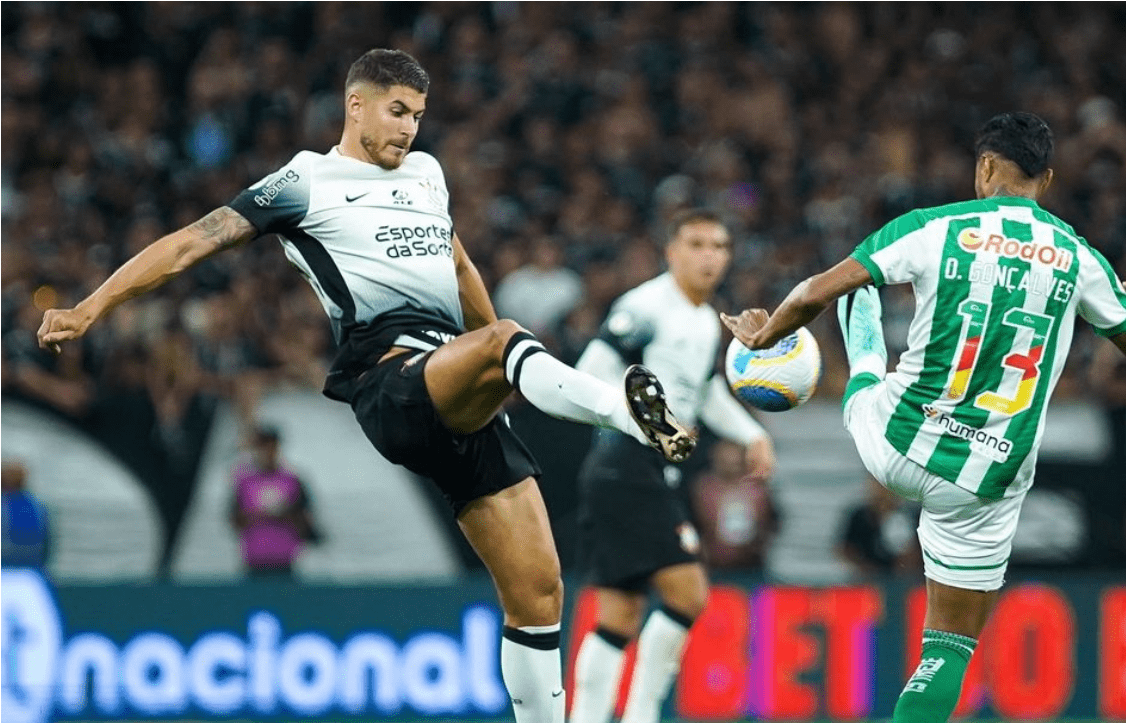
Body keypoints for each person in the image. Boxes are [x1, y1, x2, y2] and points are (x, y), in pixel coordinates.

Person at [36, 48, 696, 724]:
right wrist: (92, 306)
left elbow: (459, 263)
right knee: (505, 343)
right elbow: (192, 241)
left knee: (539, 595)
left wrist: (496, 364)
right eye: (398, 111)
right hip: (390, 381)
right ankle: (623, 410)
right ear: (357, 106)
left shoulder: (428, 175)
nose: (410, 128)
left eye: (418, 116)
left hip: (458, 385)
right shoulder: (305, 180)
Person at [721, 112, 1126, 722]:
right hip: (985, 478)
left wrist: (762, 334)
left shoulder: (935, 227)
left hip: (898, 442)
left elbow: (810, 293)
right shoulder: (1077, 256)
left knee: (860, 303)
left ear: (985, 166)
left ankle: (865, 375)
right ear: (1048, 177)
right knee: (948, 647)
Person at [569, 209, 776, 723]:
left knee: (619, 614)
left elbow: (705, 394)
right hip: (625, 464)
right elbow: (590, 371)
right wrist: (651, 421)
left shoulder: (706, 320)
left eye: (720, 245)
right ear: (672, 251)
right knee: (688, 593)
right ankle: (642, 715)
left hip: (644, 472)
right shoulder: (645, 306)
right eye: (697, 243)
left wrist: (752, 433)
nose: (710, 255)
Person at [229, 426, 320, 579]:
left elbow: (308, 520)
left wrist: (285, 514)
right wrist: (260, 515)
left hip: (286, 562)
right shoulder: (244, 482)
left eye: (271, 446)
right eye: (262, 447)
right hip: (253, 562)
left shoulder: (293, 481)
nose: (267, 452)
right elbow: (234, 520)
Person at [690, 439, 781, 575]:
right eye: (726, 462)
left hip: (753, 566)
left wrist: (760, 541)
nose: (731, 466)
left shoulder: (758, 490)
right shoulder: (703, 489)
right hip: (711, 567)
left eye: (736, 463)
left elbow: (774, 523)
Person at [836, 475, 920, 579]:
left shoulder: (911, 515)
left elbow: (922, 548)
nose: (882, 492)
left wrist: (910, 561)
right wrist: (864, 567)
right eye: (878, 486)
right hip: (868, 579)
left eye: (885, 487)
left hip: (907, 579)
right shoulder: (859, 516)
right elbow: (845, 549)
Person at [1, 461, 52, 570]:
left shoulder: (3, 505)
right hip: (32, 571)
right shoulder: (38, 506)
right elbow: (46, 548)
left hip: (6, 570)